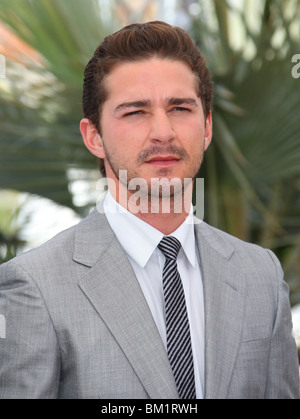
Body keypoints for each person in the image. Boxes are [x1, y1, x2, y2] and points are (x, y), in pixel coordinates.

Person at [0, 21, 299, 399]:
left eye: (180, 107)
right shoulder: (35, 286)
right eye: (135, 112)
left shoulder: (261, 276)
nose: (163, 131)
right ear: (93, 136)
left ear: (206, 128)